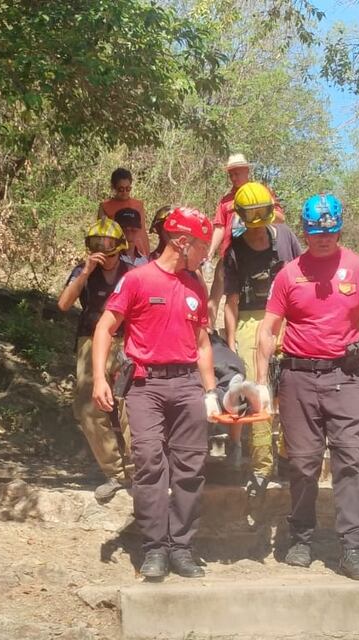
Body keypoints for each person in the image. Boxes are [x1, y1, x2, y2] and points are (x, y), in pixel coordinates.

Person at [255, 193, 359, 581]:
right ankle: (300, 537)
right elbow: (268, 329)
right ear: (304, 231)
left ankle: (351, 547)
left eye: (330, 232)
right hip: (298, 378)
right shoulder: (289, 274)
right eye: (316, 233)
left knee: (350, 459)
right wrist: (261, 382)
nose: (323, 239)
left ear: (339, 229)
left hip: (344, 378)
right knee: (303, 462)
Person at [91, 206, 221, 580]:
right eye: (201, 246)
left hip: (187, 386)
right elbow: (105, 327)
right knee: (149, 465)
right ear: (181, 242)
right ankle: (154, 548)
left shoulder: (195, 285)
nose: (205, 254)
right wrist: (100, 378)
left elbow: (202, 345)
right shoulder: (137, 280)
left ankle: (181, 547)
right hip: (145, 386)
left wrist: (210, 391)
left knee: (191, 468)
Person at [222, 181, 301, 496]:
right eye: (250, 221)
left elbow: (301, 279)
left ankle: (287, 456)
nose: (257, 231)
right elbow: (230, 302)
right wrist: (231, 345)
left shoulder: (286, 238)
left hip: (287, 317)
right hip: (250, 320)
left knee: (292, 391)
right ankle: (260, 466)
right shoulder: (234, 251)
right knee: (258, 394)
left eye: (261, 220)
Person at [57, 219, 134, 502]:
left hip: (127, 340)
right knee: (89, 406)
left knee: (132, 404)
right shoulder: (84, 271)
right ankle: (113, 472)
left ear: (120, 247)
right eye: (97, 246)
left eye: (110, 247)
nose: (104, 253)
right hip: (90, 340)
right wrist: (86, 272)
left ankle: (139, 471)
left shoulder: (133, 272)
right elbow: (63, 304)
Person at [206, 154, 284, 322]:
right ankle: (212, 336)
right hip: (229, 254)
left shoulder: (262, 193)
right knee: (219, 298)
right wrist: (211, 251)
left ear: (247, 171)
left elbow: (280, 219)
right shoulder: (225, 201)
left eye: (237, 173)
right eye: (231, 175)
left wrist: (259, 211)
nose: (233, 177)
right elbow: (219, 226)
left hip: (258, 255)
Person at [98, 167, 150, 258]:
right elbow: (102, 233)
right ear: (113, 187)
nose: (125, 192)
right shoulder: (105, 207)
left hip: (137, 251)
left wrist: (145, 253)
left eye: (128, 188)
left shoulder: (138, 205)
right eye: (121, 189)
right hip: (116, 251)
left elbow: (141, 233)